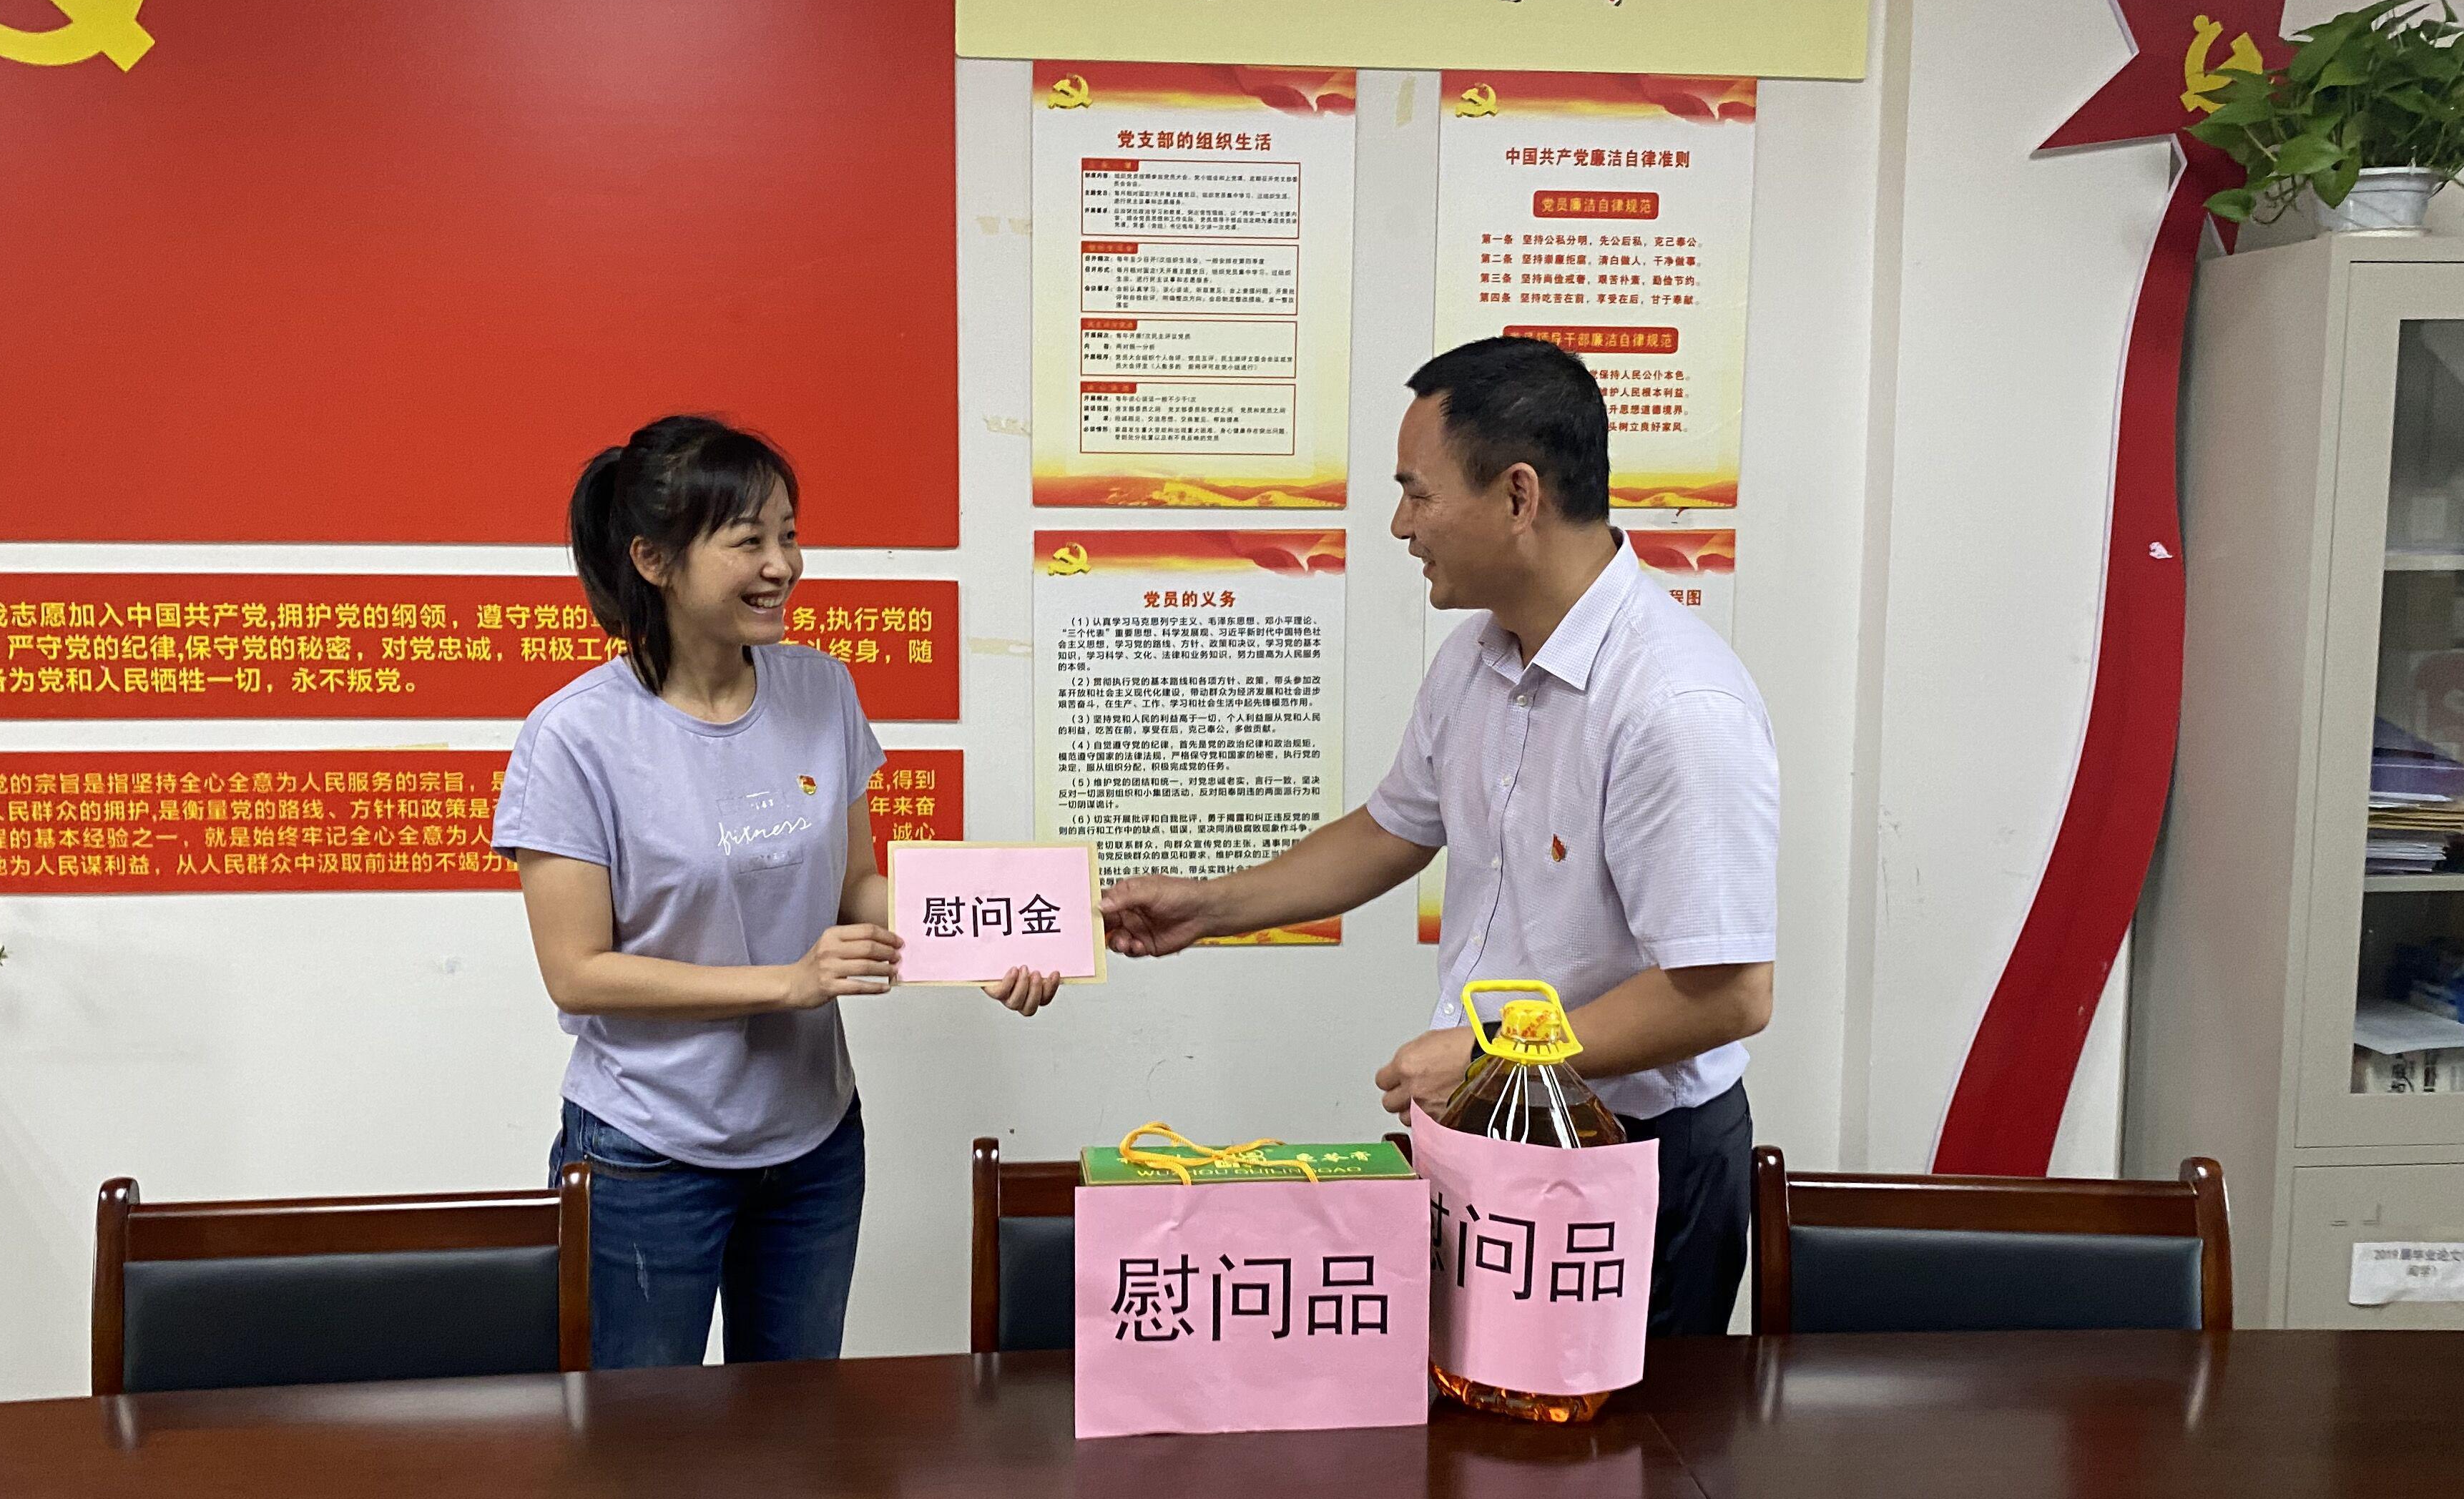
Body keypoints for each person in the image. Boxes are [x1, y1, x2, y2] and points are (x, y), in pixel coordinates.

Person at [1101, 338, 1778, 1334]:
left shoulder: (1676, 704)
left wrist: (1491, 1057)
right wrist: (1211, 907)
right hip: (1491, 1135)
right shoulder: (1475, 659)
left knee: (1629, 1437)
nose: (1400, 526)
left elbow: (1727, 993)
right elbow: (1394, 829)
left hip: (1635, 1159)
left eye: (1417, 494)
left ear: (1518, 496)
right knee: (1469, 1420)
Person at [496, 415, 1059, 1368]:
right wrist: (787, 983)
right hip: (645, 1152)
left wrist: (987, 940)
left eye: (789, 535)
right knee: (638, 1438)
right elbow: (578, 972)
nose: (782, 565)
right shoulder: (575, 738)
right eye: (747, 540)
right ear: (653, 560)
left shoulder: (821, 691)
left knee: (797, 1431)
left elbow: (857, 887)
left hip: (813, 1149)